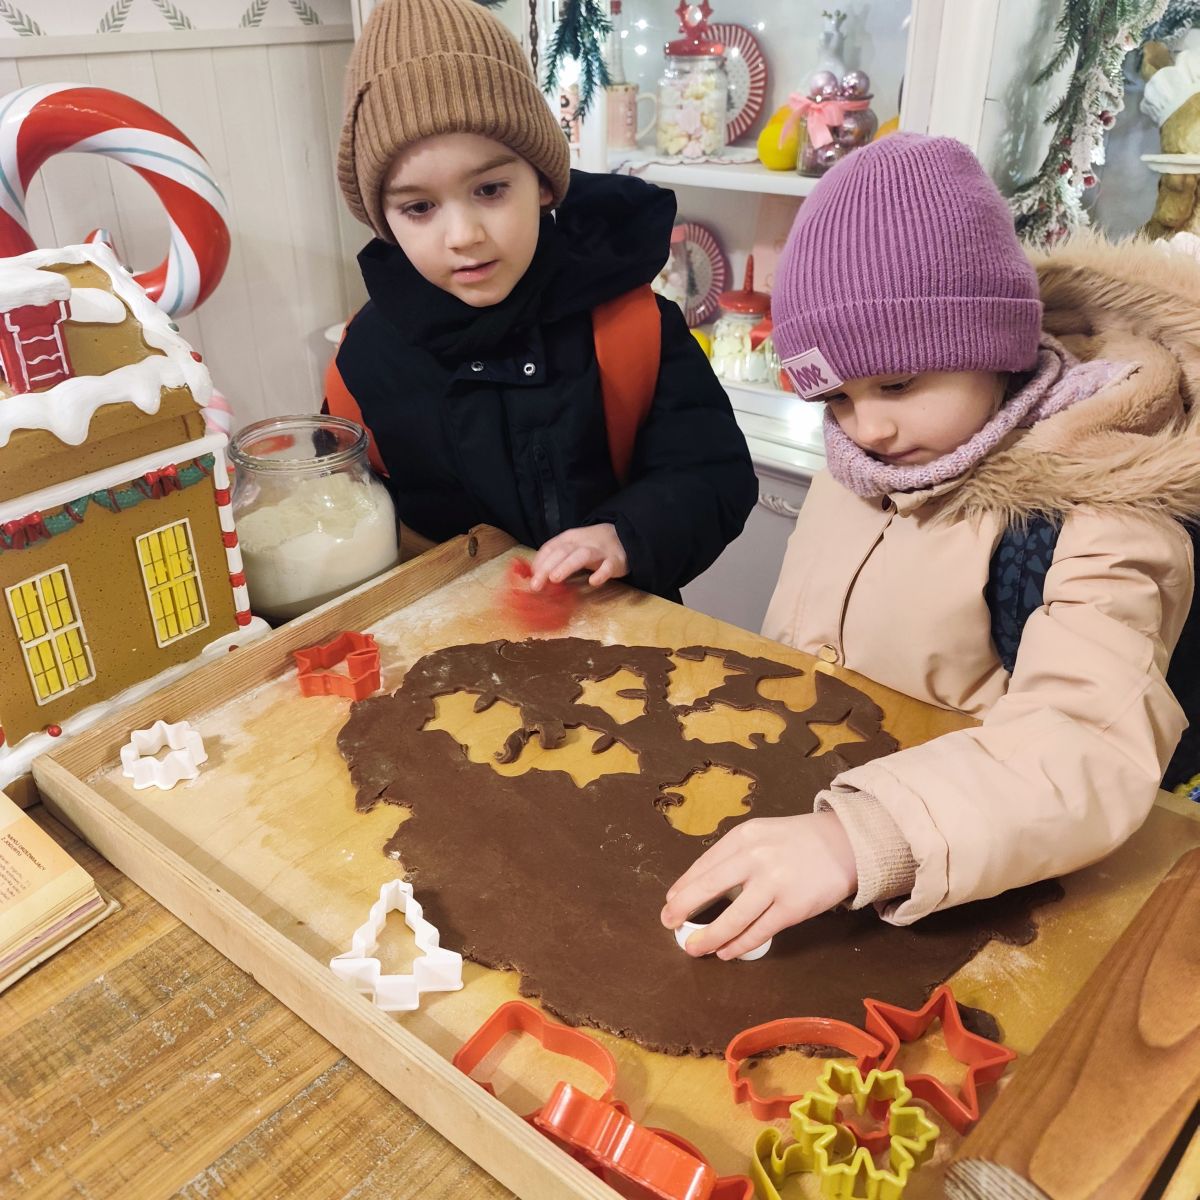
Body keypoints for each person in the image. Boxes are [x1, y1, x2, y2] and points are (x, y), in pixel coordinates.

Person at [662, 133, 1200, 959]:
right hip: (816, 835)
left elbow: (1089, 738)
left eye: (898, 384)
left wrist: (859, 838)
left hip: (960, 883)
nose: (868, 428)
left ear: (995, 346)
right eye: (835, 397)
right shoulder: (866, 461)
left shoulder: (1103, 503)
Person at [330, 0, 757, 600]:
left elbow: (713, 472)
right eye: (419, 207)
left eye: (490, 189)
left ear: (543, 182)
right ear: (384, 220)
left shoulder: (630, 327)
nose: (463, 235)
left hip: (619, 629)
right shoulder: (363, 361)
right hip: (452, 639)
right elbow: (347, 507)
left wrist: (625, 535)